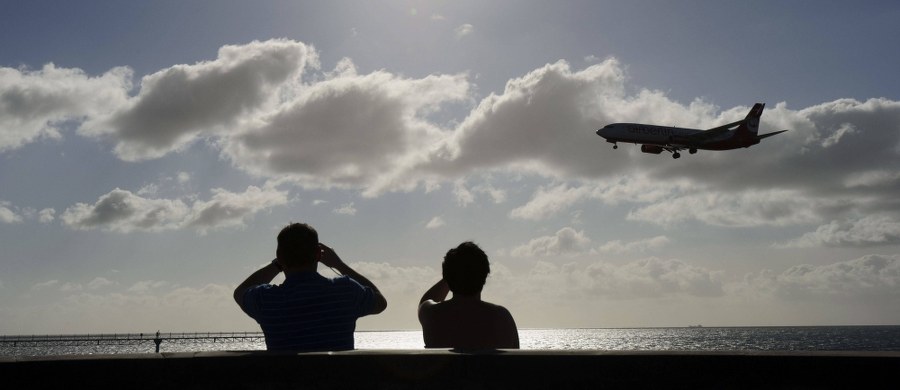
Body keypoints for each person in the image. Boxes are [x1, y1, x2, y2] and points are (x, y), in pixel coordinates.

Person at [234, 222, 387, 351]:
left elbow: (240, 292)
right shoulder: (346, 291)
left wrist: (276, 265)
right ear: (318, 255)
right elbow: (380, 302)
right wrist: (339, 265)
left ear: (280, 256)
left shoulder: (265, 299)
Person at [418, 241, 519, 349]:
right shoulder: (502, 317)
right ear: (484, 276)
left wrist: (449, 275)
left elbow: (426, 301)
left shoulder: (431, 315)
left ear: (447, 277)